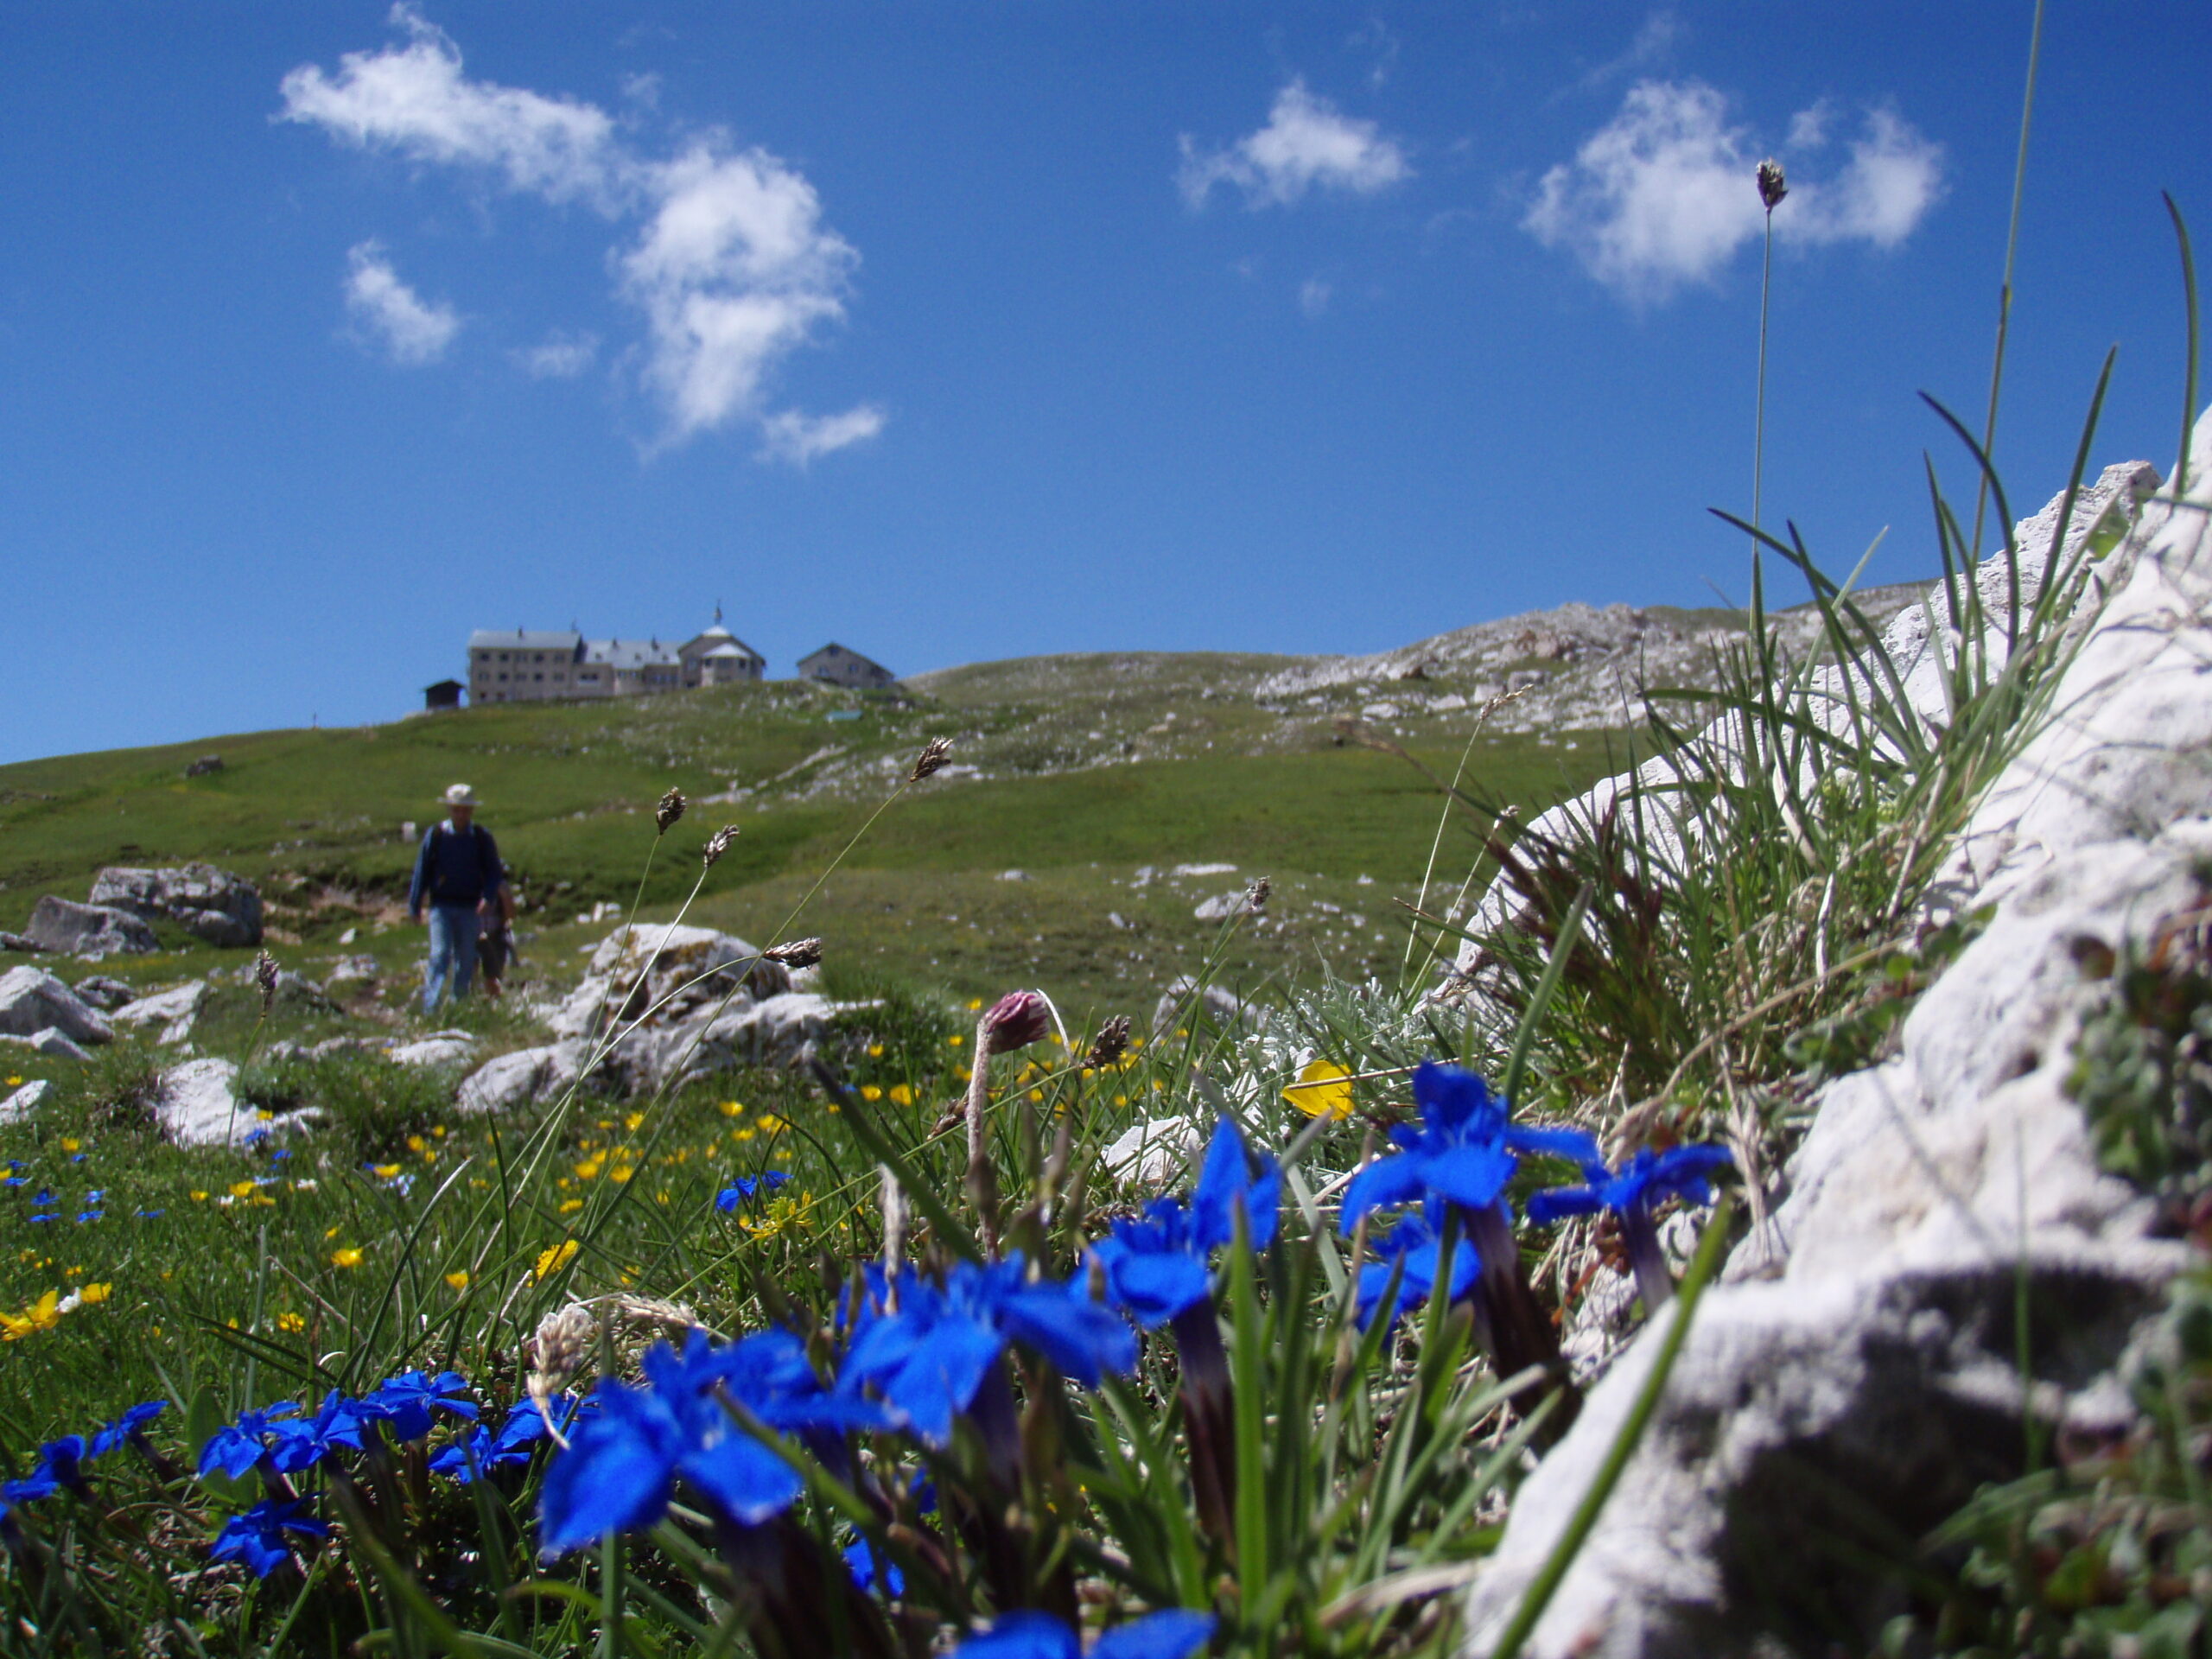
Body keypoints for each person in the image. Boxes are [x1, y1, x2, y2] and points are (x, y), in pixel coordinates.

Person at [408, 784, 505, 1014]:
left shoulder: (481, 837)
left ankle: (457, 1005)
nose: (461, 814)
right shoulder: (437, 835)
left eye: (465, 810)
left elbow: (494, 872)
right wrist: (415, 904)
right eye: (456, 809)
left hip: (470, 906)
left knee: (466, 957)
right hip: (441, 905)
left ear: (471, 811)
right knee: (440, 954)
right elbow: (422, 870)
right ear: (450, 809)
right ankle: (430, 1008)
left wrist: (488, 896)